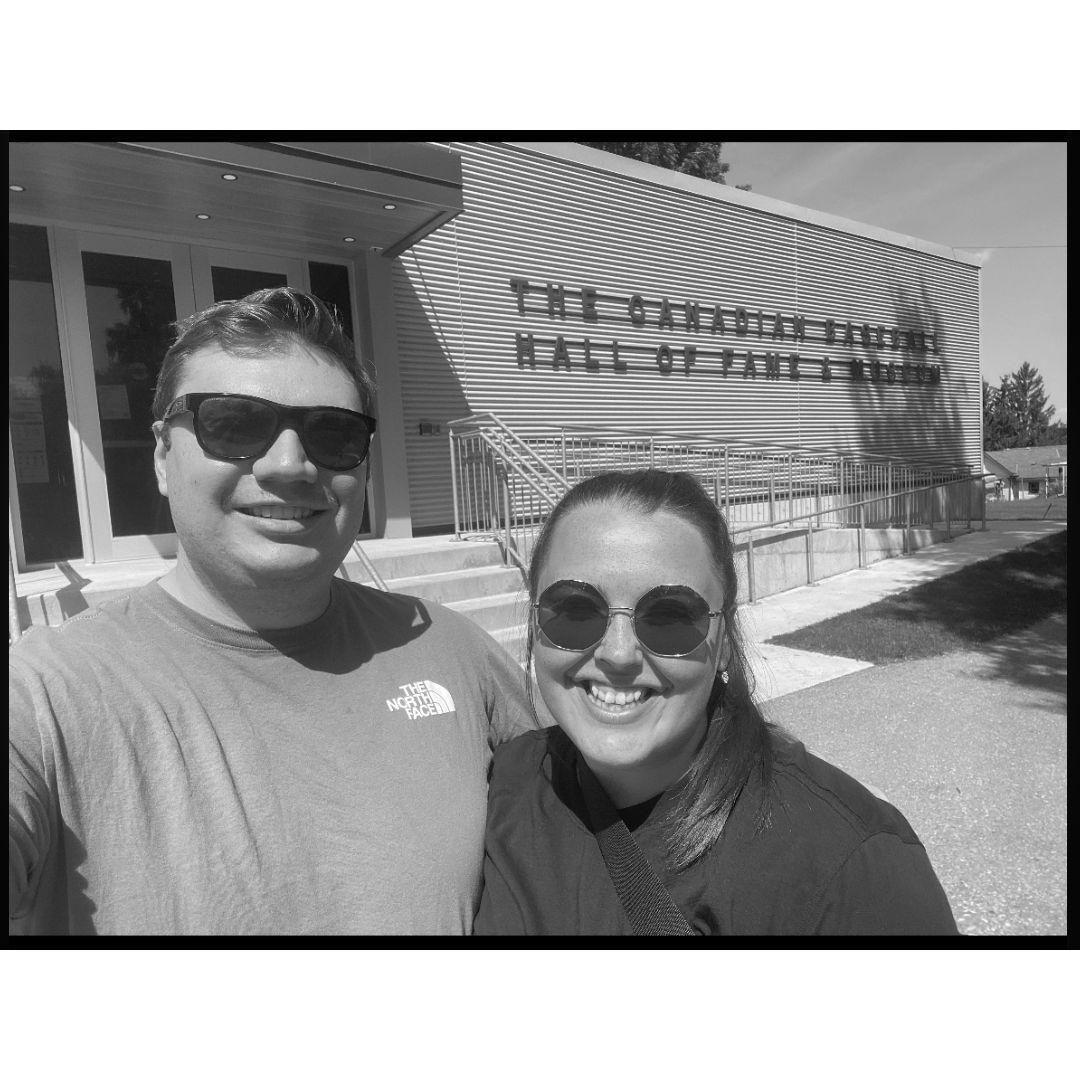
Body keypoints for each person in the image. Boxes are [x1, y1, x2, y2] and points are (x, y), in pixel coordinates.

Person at [9, 287, 531, 935]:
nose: (289, 465)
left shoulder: (458, 654)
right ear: (162, 457)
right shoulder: (40, 699)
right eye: (233, 424)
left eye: (333, 434)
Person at [475, 469, 958, 935]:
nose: (618, 654)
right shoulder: (504, 789)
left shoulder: (850, 867)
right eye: (575, 611)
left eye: (668, 616)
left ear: (724, 640)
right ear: (535, 624)